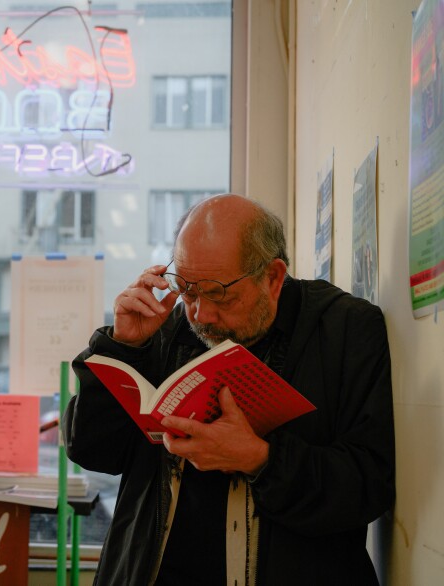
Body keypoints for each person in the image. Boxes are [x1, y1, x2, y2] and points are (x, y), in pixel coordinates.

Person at [64, 194, 395, 585]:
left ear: (272, 277)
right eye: (187, 290)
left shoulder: (345, 330)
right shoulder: (165, 329)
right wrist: (123, 348)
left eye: (219, 293)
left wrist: (261, 460)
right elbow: (91, 450)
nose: (200, 315)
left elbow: (368, 487)